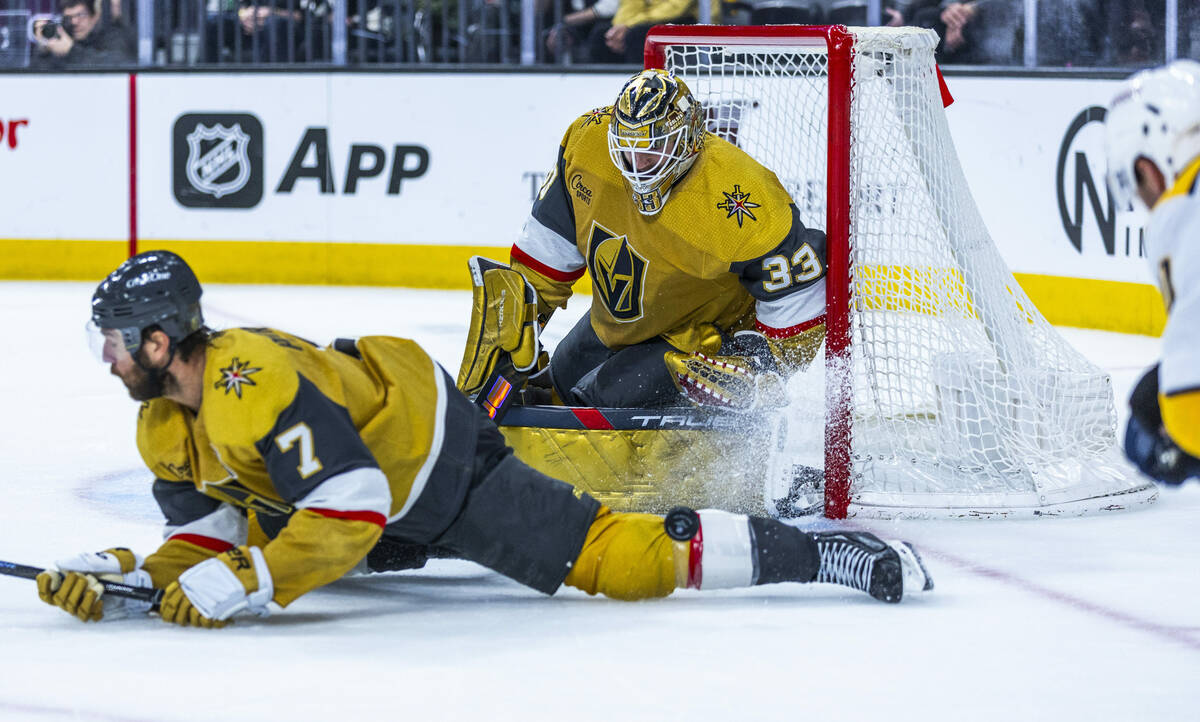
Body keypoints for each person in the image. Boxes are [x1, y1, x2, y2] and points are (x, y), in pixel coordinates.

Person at [35, 250, 932, 627]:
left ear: (159, 341)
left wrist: (257, 581)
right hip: (362, 495)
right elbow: (210, 535)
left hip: (432, 462)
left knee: (611, 562)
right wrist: (117, 579)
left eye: (115, 342)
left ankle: (825, 556)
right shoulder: (162, 424)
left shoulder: (248, 382)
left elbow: (350, 508)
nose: (106, 358)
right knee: (286, 543)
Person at [457, 69, 827, 411]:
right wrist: (520, 320)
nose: (636, 164)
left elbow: (801, 298)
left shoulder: (740, 196)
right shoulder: (589, 146)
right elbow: (545, 255)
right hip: (616, 322)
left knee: (598, 404)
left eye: (652, 149)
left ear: (689, 140)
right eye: (627, 148)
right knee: (552, 389)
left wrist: (758, 366)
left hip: (692, 343)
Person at [1104, 59, 1200, 486]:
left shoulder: (1185, 211)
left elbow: (1189, 408)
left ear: (1149, 166)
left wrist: (1171, 438)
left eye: (1138, 187)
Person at [587, 0, 715, 64]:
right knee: (601, 36)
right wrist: (619, 27)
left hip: (687, 21)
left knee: (638, 36)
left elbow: (677, 7)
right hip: (644, 20)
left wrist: (630, 25)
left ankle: (645, 90)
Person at [32, 0, 134, 68]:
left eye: (80, 15)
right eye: (69, 17)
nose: (74, 22)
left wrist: (70, 51)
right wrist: (44, 50)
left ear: (95, 16)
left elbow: (118, 65)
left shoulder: (112, 36)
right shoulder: (63, 38)